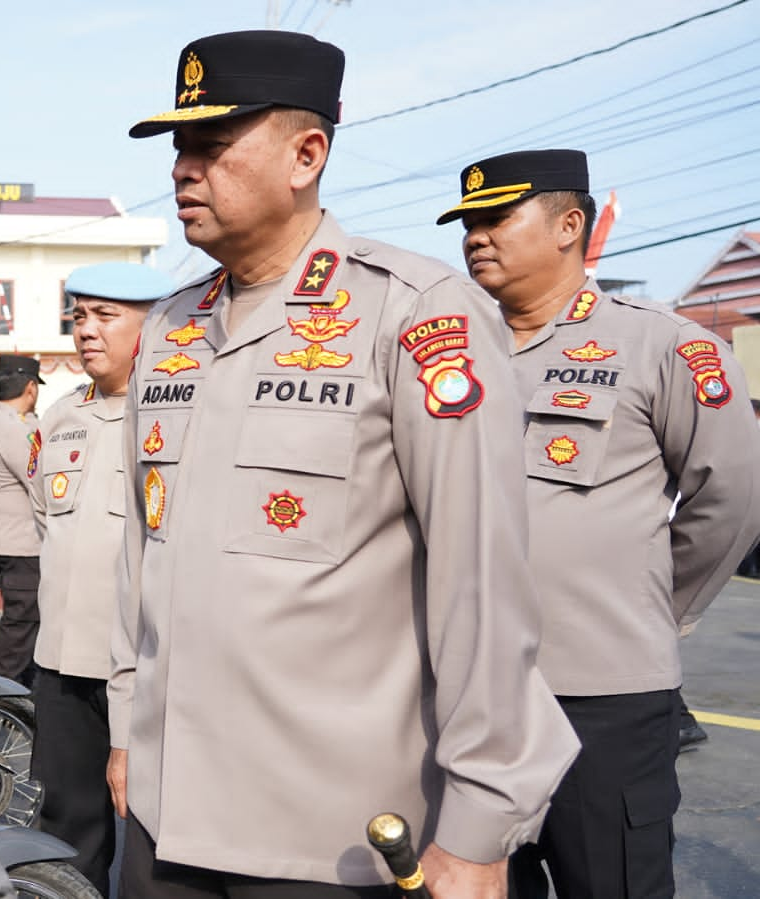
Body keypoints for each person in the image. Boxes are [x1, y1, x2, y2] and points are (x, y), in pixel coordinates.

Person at [109, 31, 579, 897]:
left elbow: (480, 583)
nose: (183, 169)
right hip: (163, 816)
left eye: (211, 145)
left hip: (331, 839)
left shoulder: (413, 313)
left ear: (306, 153)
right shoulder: (170, 329)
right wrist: (122, 724)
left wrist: (478, 824)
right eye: (178, 148)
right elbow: (142, 550)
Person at [437, 149, 760, 899]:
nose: (475, 236)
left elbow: (731, 497)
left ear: (568, 226)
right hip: (461, 693)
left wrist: (650, 607)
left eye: (495, 218)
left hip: (598, 694)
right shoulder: (444, 354)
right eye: (467, 223)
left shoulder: (661, 344)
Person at [30, 262, 173, 895]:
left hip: (147, 665)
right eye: (79, 317)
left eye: (105, 316)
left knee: (151, 839)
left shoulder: (181, 412)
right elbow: (46, 523)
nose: (87, 331)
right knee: (65, 835)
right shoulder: (60, 416)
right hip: (63, 664)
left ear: (155, 321)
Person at [0, 353, 46, 685]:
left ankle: (19, 702)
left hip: (11, 542)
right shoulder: (9, 427)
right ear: (30, 388)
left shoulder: (6, 422)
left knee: (28, 628)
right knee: (19, 634)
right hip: (19, 546)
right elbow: (40, 477)